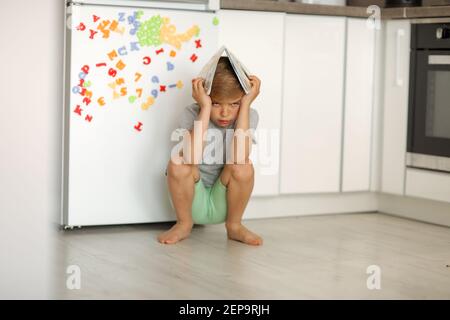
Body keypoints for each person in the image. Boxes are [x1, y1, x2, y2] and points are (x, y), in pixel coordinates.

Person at [158, 56, 262, 246]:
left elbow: (239, 157)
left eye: (234, 104)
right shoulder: (193, 112)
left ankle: (235, 226)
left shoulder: (248, 115)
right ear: (203, 97)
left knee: (244, 166)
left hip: (225, 199)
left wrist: (245, 105)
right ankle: (183, 224)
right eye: (216, 103)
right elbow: (191, 157)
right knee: (179, 162)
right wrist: (205, 108)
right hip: (191, 198)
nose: (225, 112)